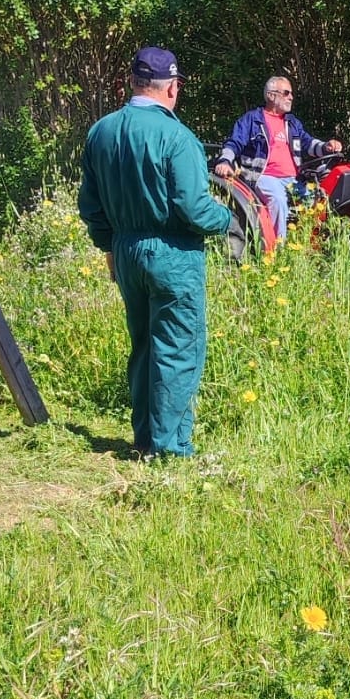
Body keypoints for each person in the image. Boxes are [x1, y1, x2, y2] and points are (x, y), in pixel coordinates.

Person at [77, 45, 233, 460]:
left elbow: (91, 205)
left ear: (131, 83)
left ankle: (145, 438)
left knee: (144, 346)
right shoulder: (177, 137)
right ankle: (170, 449)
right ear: (172, 88)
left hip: (126, 250)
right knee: (177, 348)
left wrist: (108, 246)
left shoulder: (101, 132)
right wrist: (226, 219)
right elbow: (192, 208)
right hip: (173, 254)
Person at [213, 75, 342, 242]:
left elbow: (308, 143)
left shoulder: (292, 123)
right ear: (271, 95)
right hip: (264, 177)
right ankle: (278, 250)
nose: (291, 97)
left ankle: (309, 246)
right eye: (286, 93)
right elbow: (233, 144)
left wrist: (326, 146)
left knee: (317, 201)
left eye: (291, 93)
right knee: (278, 200)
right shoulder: (252, 120)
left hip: (293, 180)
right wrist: (224, 162)